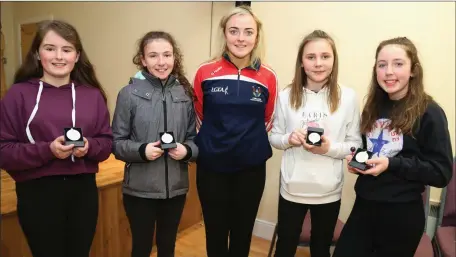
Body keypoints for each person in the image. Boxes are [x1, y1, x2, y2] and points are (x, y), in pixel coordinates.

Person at [332, 37, 453, 257]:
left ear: (413, 70)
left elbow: (441, 172)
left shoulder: (430, 112)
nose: (388, 71)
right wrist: (359, 161)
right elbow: (369, 149)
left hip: (401, 215)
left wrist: (391, 164)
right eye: (382, 64)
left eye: (398, 63)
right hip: (364, 207)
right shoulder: (373, 106)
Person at [0, 20, 112, 257]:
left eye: (67, 49)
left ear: (77, 55)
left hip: (83, 192)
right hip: (37, 193)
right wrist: (47, 150)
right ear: (37, 54)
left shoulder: (92, 96)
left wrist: (90, 147)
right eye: (50, 48)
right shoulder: (18, 95)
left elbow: (106, 143)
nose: (59, 56)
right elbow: (4, 151)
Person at [192, 5, 278, 257]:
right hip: (211, 168)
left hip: (250, 169)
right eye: (234, 31)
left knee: (242, 234)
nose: (241, 38)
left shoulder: (268, 76)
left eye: (248, 32)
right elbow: (199, 115)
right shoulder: (205, 72)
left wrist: (244, 145)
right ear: (225, 34)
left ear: (256, 37)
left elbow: (268, 118)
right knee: (215, 233)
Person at [268, 30, 362, 257]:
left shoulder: (348, 97)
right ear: (301, 62)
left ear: (334, 60)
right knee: (285, 246)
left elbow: (355, 146)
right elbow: (274, 138)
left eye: (325, 56)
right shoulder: (285, 95)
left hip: (329, 191)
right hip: (292, 188)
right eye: (311, 57)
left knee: (321, 248)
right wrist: (289, 139)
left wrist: (329, 148)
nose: (318, 63)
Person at [111, 31, 198, 257]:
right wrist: (142, 150)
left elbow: (194, 139)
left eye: (167, 55)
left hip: (176, 189)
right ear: (143, 59)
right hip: (140, 191)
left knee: (167, 247)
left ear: (174, 58)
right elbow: (117, 143)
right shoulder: (128, 94)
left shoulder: (185, 93)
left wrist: (187, 151)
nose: (161, 62)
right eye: (153, 56)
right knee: (141, 247)